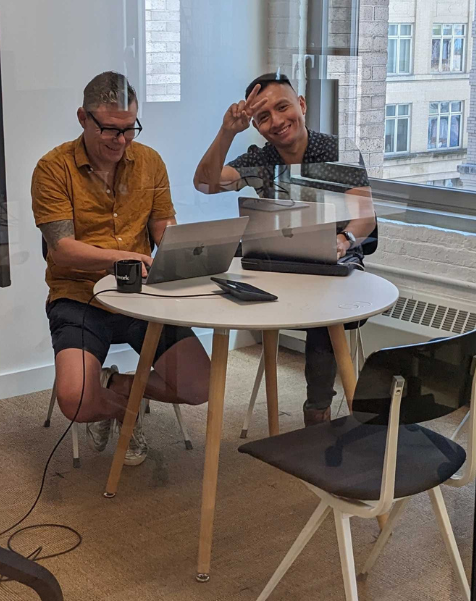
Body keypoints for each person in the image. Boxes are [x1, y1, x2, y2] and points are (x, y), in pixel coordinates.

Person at [32, 72, 210, 465]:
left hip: (142, 295)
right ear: (83, 117)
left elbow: (163, 226)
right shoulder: (52, 168)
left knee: (201, 386)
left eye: (130, 129)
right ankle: (125, 413)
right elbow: (61, 250)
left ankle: (121, 386)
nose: (122, 141)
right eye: (111, 130)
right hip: (80, 297)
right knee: (76, 403)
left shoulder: (149, 161)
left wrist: (188, 253)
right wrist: (119, 259)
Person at [193, 71, 376, 426]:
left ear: (301, 105)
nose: (276, 121)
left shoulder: (339, 151)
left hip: (336, 261)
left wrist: (343, 240)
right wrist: (228, 131)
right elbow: (205, 183)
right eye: (263, 117)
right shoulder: (260, 160)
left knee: (326, 312)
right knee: (218, 266)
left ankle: (317, 412)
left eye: (282, 107)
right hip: (279, 260)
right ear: (257, 126)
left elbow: (364, 218)